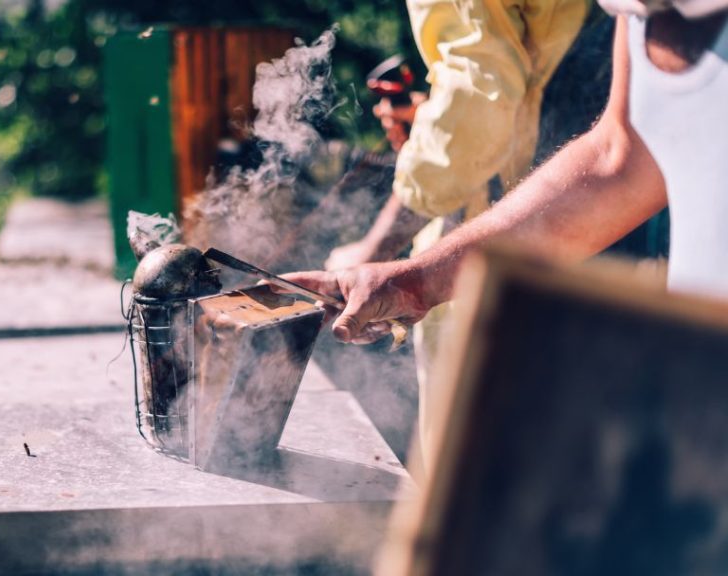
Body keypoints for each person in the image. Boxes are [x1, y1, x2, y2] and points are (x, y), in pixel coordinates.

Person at [282, 1, 728, 452]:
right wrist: (415, 279)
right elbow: (620, 159)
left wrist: (380, 243)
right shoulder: (647, 9)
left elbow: (479, 90)